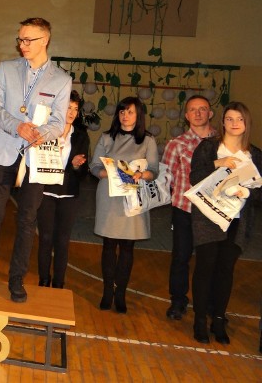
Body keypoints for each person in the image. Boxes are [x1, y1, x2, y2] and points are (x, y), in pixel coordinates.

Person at [0, 17, 72, 302]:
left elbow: (59, 122)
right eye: (20, 39)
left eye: (28, 40)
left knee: (27, 220)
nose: (22, 45)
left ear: (44, 40)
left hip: (35, 157)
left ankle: (16, 280)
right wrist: (16, 125)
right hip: (3, 152)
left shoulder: (61, 79)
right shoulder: (6, 69)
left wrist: (40, 132)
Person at [189, 101, 261, 344]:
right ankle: (200, 320)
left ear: (246, 123)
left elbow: (260, 191)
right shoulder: (209, 148)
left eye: (239, 119)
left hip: (237, 223)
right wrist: (216, 165)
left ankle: (218, 320)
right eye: (229, 119)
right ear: (222, 122)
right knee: (204, 269)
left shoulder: (255, 155)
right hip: (209, 219)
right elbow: (195, 177)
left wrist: (247, 193)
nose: (234, 124)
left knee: (225, 272)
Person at [89, 97, 158, 313]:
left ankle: (121, 293)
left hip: (133, 198)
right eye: (121, 112)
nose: (124, 116)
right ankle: (108, 290)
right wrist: (106, 173)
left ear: (138, 116)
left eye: (129, 112)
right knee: (109, 245)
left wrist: (141, 175)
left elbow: (154, 171)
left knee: (127, 247)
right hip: (110, 196)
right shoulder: (107, 137)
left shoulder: (148, 141)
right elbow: (94, 166)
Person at [161, 95, 215, 320]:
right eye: (193, 110)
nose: (199, 113)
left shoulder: (222, 144)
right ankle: (178, 301)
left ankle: (208, 303)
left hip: (213, 213)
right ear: (187, 115)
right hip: (184, 210)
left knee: (209, 261)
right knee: (181, 257)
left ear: (210, 113)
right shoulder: (176, 145)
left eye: (203, 109)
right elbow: (166, 178)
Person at [37, 90, 89, 288]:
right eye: (68, 107)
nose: (72, 112)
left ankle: (59, 281)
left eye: (75, 109)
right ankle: (43, 279)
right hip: (47, 191)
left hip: (69, 193)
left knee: (62, 240)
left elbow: (83, 171)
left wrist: (76, 165)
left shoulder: (81, 136)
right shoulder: (48, 130)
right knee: (46, 237)